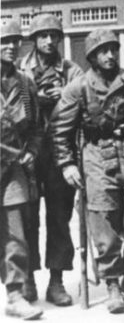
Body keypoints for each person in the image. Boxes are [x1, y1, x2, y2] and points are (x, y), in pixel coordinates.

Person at [51, 28, 124, 314]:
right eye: (103, 51)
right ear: (91, 56)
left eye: (113, 49)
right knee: (105, 227)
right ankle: (113, 283)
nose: (110, 55)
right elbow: (60, 131)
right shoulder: (79, 87)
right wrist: (66, 164)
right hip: (98, 161)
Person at [17, 13, 82, 306]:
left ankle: (56, 281)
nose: (48, 41)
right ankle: (28, 279)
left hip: (60, 151)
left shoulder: (71, 70)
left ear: (60, 38)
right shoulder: (20, 68)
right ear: (33, 39)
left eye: (53, 35)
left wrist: (64, 95)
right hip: (29, 152)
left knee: (59, 218)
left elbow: (85, 96)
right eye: (42, 36)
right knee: (27, 218)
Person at [1, 20, 44, 320]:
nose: (11, 46)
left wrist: (31, 152)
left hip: (12, 169)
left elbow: (38, 129)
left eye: (15, 40)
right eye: (4, 40)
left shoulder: (26, 83)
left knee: (16, 234)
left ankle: (15, 295)